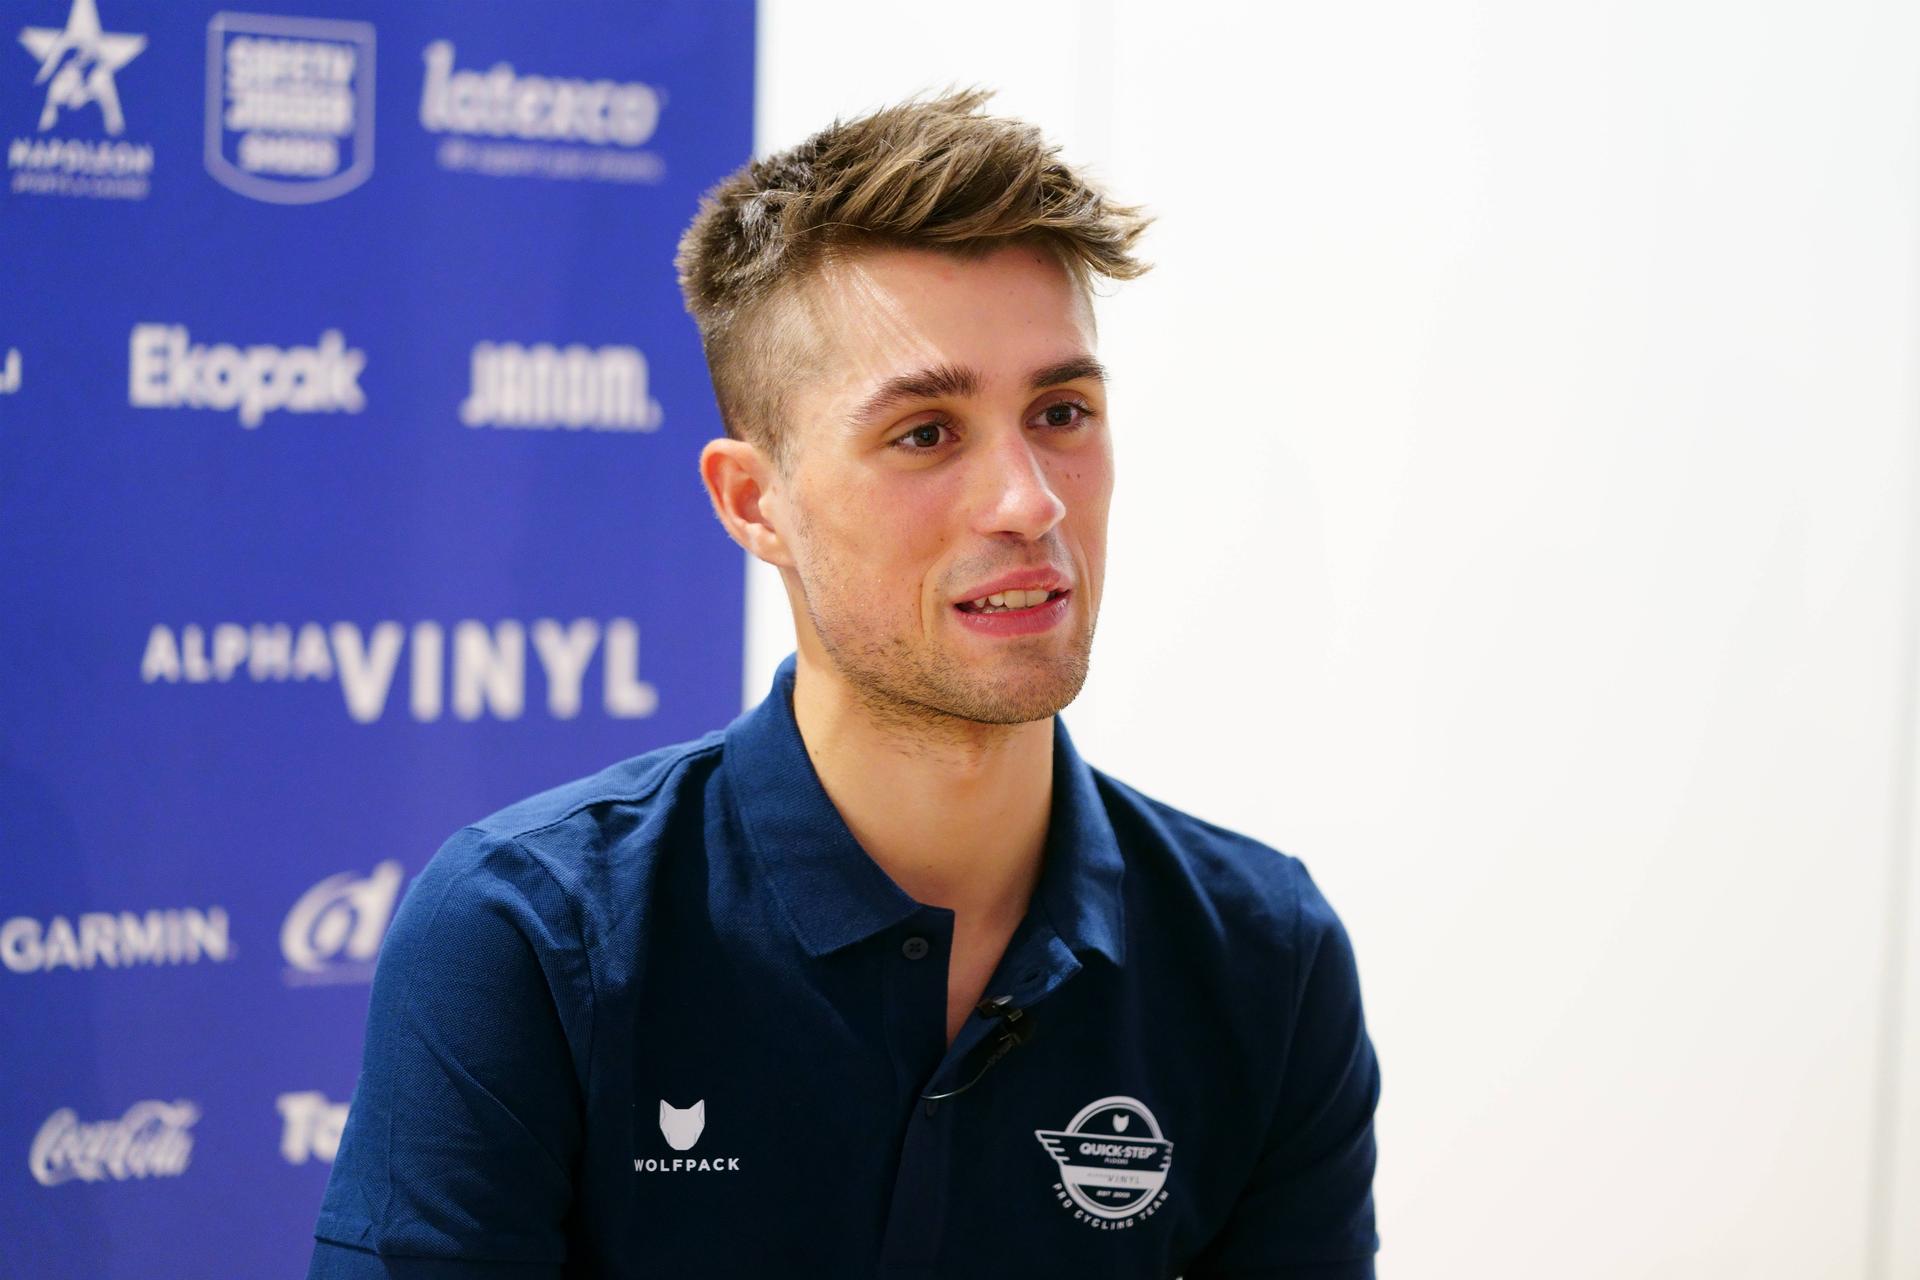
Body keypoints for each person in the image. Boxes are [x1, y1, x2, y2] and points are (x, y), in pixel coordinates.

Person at [308, 88, 1381, 1279]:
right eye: (926, 432)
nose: (1031, 501)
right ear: (753, 502)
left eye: (1061, 411)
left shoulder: (1262, 955)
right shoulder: (529, 935)